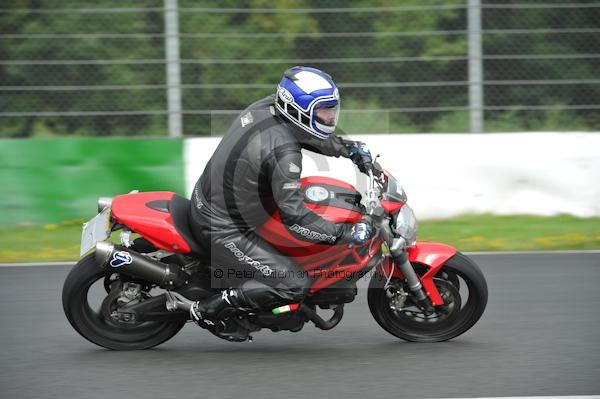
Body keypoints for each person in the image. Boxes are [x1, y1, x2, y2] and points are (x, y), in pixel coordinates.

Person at [189, 66, 373, 340]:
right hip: (224, 227)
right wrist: (344, 233)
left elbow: (303, 131)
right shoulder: (285, 155)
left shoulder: (268, 107)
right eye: (323, 109)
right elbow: (295, 217)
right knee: (293, 284)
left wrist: (347, 149)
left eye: (333, 107)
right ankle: (207, 309)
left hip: (216, 201)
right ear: (298, 108)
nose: (331, 115)